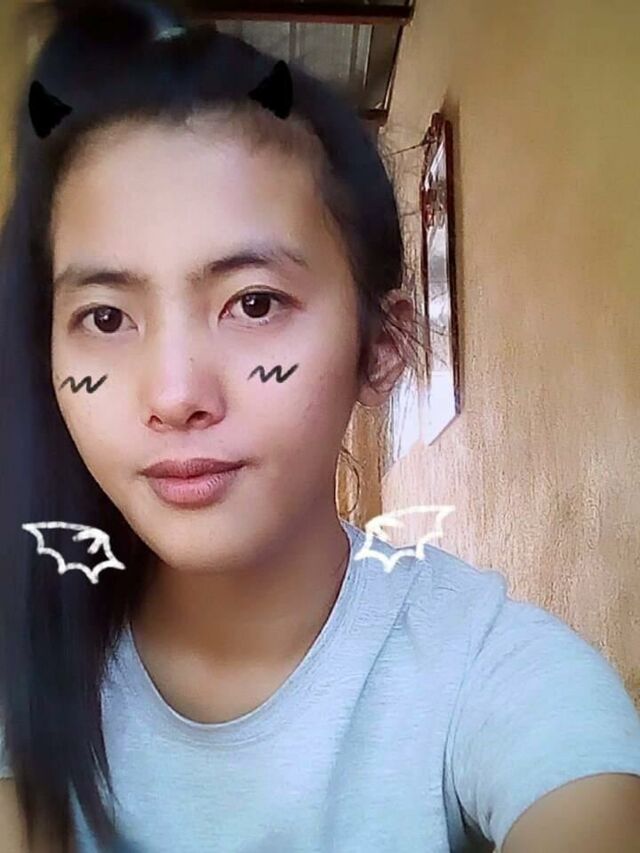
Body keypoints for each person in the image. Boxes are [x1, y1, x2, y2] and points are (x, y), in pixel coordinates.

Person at [1, 1, 639, 851]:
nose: (175, 393)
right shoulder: (24, 661)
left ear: (380, 349)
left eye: (254, 303)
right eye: (107, 317)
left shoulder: (492, 670)